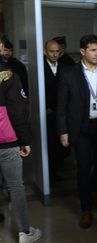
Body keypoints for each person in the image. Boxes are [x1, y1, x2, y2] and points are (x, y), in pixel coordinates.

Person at [56, 34, 97, 229]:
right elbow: (62, 105)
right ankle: (86, 208)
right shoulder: (70, 73)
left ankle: (94, 189)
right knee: (84, 168)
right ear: (83, 51)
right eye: (93, 50)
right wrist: (63, 131)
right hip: (82, 128)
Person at [0, 55, 42, 242]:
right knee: (16, 186)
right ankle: (25, 232)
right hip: (7, 142)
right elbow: (17, 113)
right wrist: (25, 141)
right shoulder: (9, 76)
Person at [44, 39, 72, 185]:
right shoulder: (39, 68)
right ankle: (50, 173)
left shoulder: (66, 67)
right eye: (51, 51)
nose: (55, 54)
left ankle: (58, 168)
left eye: (57, 52)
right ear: (45, 51)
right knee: (49, 144)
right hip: (47, 114)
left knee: (63, 145)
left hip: (62, 113)